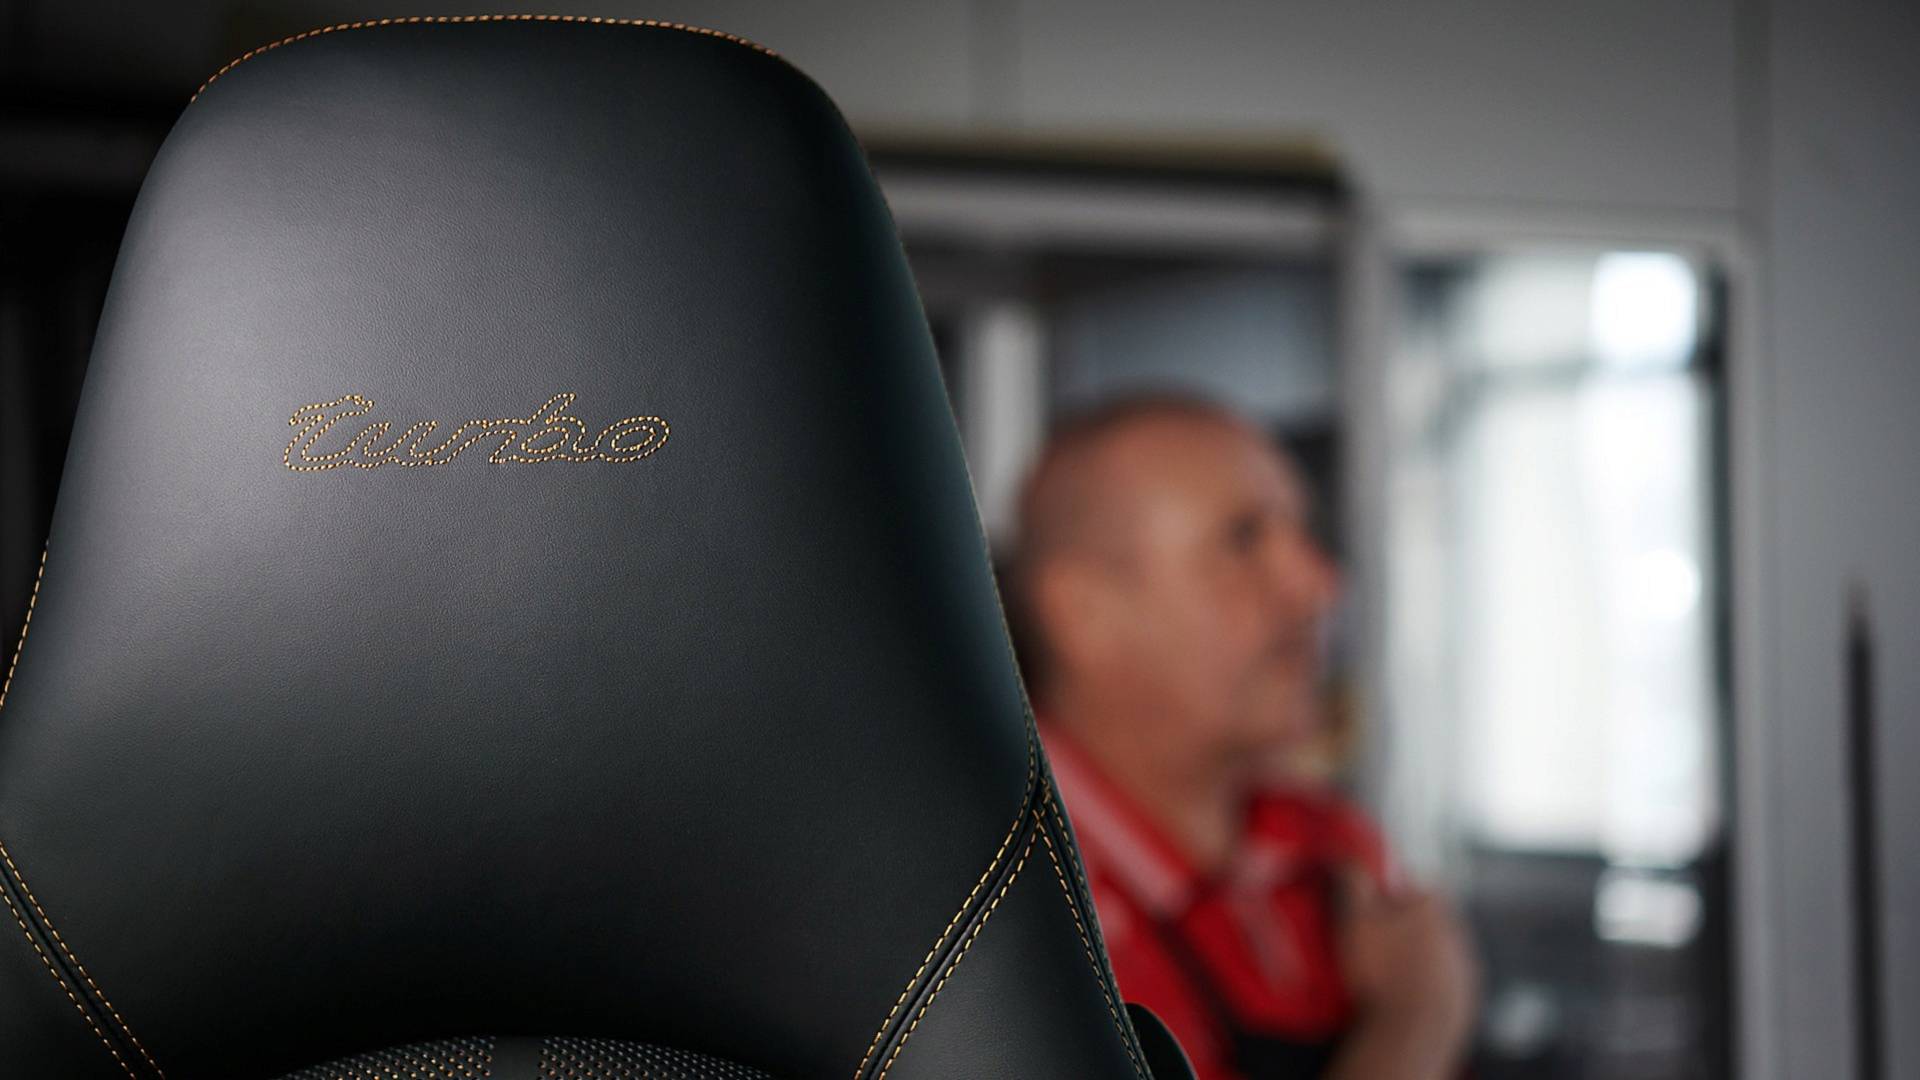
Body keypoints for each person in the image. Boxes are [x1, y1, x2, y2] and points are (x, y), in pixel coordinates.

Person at [1008, 395, 1476, 1080]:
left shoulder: (1331, 846)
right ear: (1083, 613)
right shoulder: (1007, 920)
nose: (1318, 585)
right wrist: (1414, 1022)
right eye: (1242, 540)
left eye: (1303, 533)